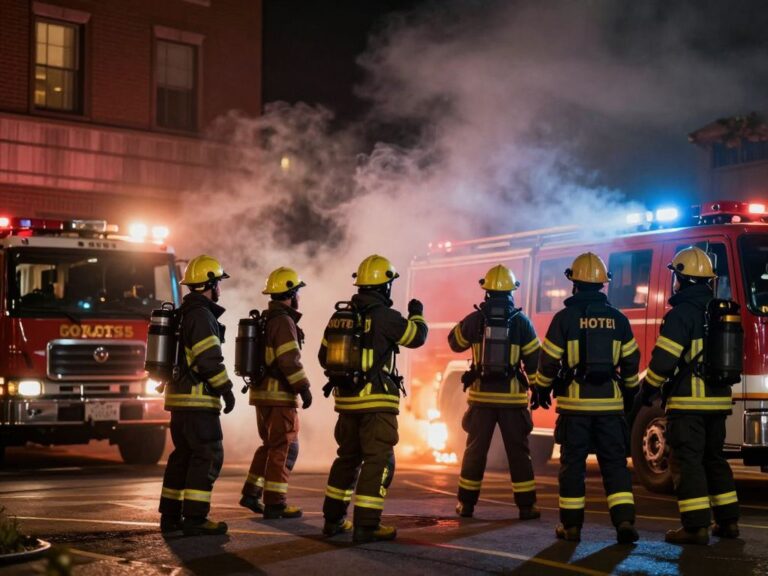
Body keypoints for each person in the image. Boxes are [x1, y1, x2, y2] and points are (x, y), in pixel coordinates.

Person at [319, 254, 428, 543]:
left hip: (346, 403)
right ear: (385, 286)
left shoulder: (340, 317)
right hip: (377, 404)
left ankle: (332, 520)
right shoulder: (387, 317)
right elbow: (417, 337)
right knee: (379, 460)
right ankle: (367, 525)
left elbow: (322, 356)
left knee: (347, 458)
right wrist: (417, 313)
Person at [534, 252, 640, 544]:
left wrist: (541, 389)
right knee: (615, 466)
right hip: (610, 408)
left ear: (574, 283)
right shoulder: (619, 320)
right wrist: (630, 393)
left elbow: (548, 361)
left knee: (573, 467)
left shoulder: (564, 318)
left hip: (575, 408)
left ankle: (571, 527)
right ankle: (624, 522)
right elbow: (631, 361)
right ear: (603, 284)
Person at [638, 246, 739, 545]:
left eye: (676, 276)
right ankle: (728, 522)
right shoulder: (720, 311)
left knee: (686, 462)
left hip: (688, 405)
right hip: (718, 403)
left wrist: (647, 390)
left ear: (682, 279)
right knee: (714, 460)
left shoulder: (681, 314)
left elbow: (663, 361)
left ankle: (695, 527)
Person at [448, 264, 541, 520]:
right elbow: (534, 362)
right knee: (519, 454)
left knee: (475, 453)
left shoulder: (475, 319)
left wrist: (466, 324)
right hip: (513, 402)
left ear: (486, 290)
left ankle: (466, 504)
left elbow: (454, 343)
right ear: (512, 291)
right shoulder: (521, 322)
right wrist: (537, 390)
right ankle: (526, 507)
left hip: (481, 401)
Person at [158, 255, 236, 536]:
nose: (220, 289)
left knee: (183, 457)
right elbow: (208, 361)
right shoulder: (202, 316)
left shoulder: (183, 313)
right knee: (208, 455)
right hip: (198, 401)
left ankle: (170, 517)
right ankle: (195, 518)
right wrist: (226, 390)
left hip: (179, 401)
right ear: (210, 285)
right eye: (218, 283)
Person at [239, 267, 312, 519]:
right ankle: (275, 503)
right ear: (290, 294)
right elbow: (289, 359)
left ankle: (252, 493)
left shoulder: (268, 319)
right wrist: (304, 387)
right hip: (279, 396)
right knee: (284, 447)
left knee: (270, 446)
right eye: (297, 292)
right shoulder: (283, 321)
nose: (299, 297)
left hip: (262, 395)